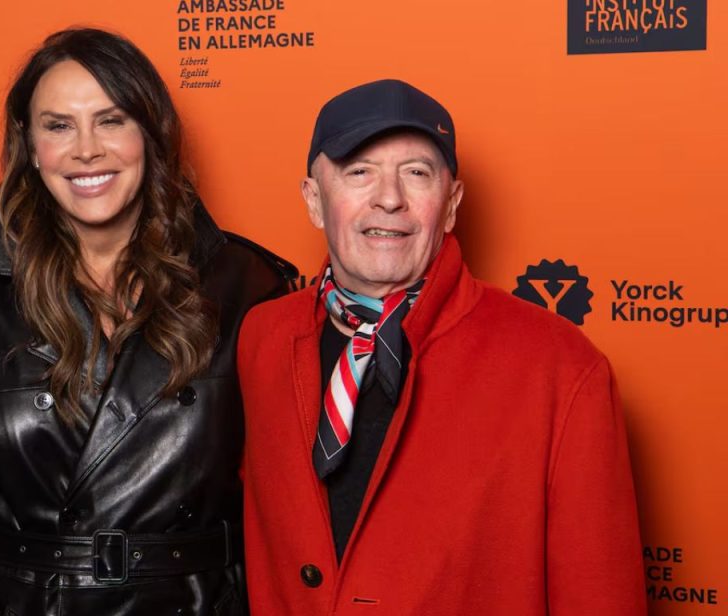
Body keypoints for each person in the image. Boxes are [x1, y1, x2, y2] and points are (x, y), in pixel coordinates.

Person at [0, 28, 294, 616]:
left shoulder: (248, 285)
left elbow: (294, 498)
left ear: (150, 135)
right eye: (59, 126)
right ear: (31, 147)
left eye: (111, 121)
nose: (86, 150)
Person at [238, 79, 645, 614]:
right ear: (314, 200)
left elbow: (600, 593)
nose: (389, 198)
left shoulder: (560, 365)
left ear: (450, 205)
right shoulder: (261, 338)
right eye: (359, 172)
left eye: (416, 173)